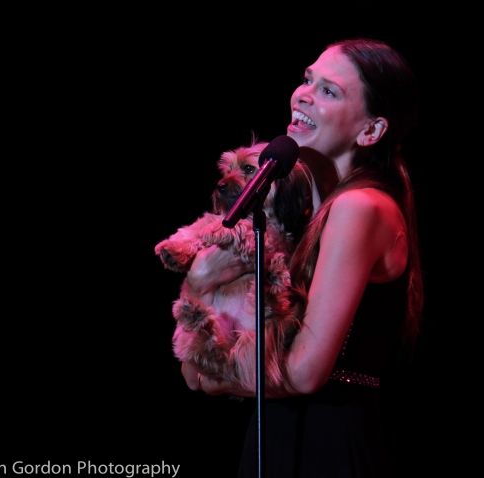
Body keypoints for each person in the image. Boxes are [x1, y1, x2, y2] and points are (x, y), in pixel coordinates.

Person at [179, 37, 424, 477]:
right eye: (307, 79)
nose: (303, 94)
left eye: (330, 90)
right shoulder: (306, 214)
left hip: (324, 443)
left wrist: (213, 379)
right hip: (276, 434)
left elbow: (305, 374)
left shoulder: (361, 207)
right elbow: (193, 374)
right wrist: (198, 285)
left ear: (371, 130)